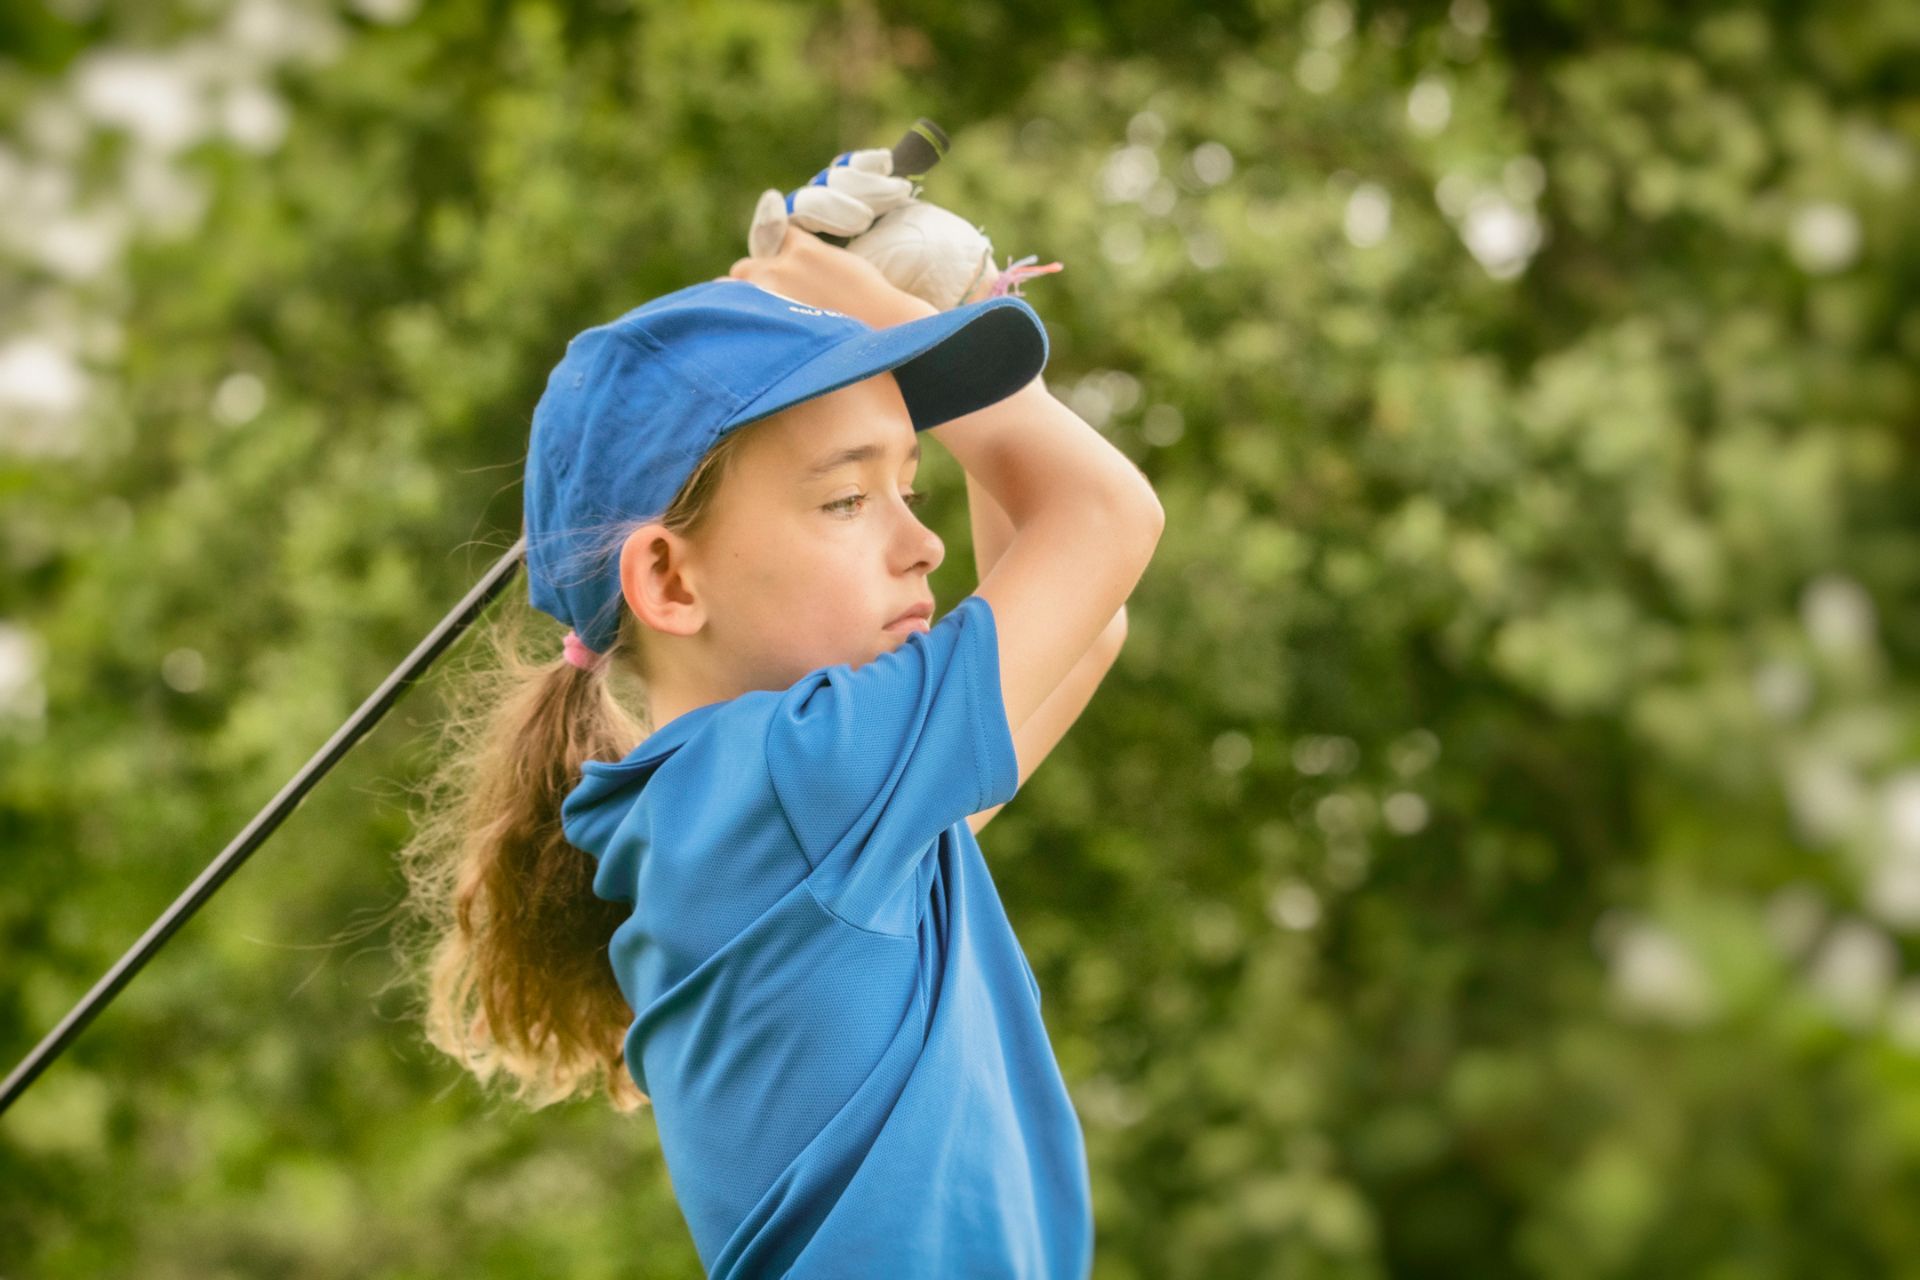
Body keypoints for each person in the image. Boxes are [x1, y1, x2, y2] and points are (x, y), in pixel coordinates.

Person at [391, 213, 1164, 1277]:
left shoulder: (779, 813)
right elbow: (1099, 521)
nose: (923, 542)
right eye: (847, 498)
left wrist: (946, 315)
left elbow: (1082, 616)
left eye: (910, 488)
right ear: (669, 580)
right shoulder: (797, 783)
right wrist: (886, 309)